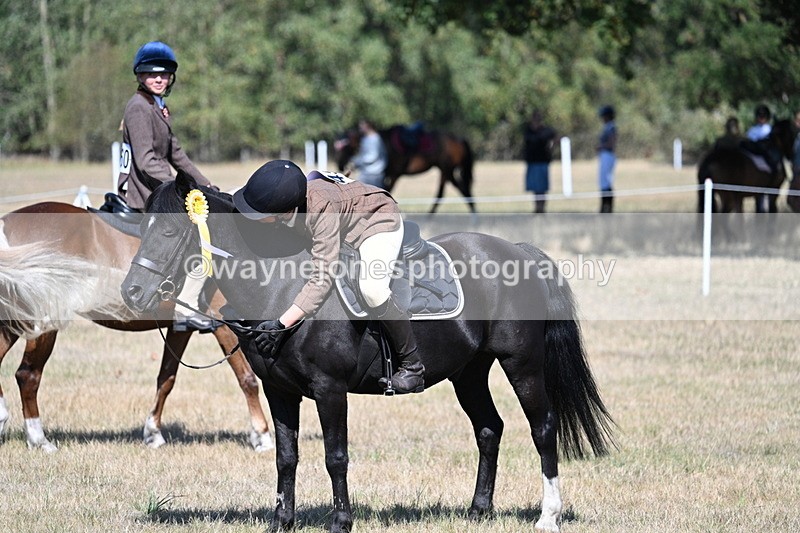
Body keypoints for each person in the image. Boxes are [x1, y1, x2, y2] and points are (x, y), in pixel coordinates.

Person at [232, 160, 425, 394]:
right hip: (342, 217)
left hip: (375, 221)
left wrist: (281, 323)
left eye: (258, 214)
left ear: (283, 212)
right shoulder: (284, 205)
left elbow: (323, 277)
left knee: (372, 289)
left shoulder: (320, 210)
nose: (251, 216)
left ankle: (412, 366)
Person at [117, 41, 216, 332]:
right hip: (144, 191)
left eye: (164, 74)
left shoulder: (157, 107)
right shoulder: (138, 108)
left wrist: (205, 184)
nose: (159, 79)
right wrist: (179, 189)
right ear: (139, 76)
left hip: (160, 187)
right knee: (198, 236)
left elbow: (177, 155)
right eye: (151, 74)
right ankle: (187, 307)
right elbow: (147, 160)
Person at [522, 110, 558, 213]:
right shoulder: (528, 131)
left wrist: (551, 147)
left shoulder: (546, 131)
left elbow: (557, 138)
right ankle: (537, 208)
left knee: (542, 188)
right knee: (534, 188)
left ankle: (542, 208)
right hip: (532, 162)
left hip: (542, 162)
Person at [350, 119, 388, 189]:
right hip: (365, 172)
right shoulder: (365, 139)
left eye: (362, 126)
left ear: (368, 126)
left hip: (375, 174)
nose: (360, 128)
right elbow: (363, 154)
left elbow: (372, 156)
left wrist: (357, 162)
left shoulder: (375, 138)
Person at [597, 105, 617, 213]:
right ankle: (604, 206)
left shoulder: (611, 127)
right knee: (603, 182)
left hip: (608, 156)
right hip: (605, 156)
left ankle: (607, 207)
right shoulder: (608, 127)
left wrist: (602, 146)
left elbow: (612, 142)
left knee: (606, 182)